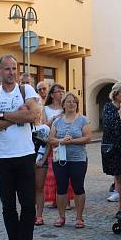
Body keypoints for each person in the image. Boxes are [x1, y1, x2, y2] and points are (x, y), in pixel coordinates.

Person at [0, 54, 43, 240]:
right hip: (2, 157)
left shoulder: (27, 90)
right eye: (7, 69)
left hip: (25, 154)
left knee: (28, 204)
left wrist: (2, 116)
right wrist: (15, 115)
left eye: (14, 68)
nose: (11, 72)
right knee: (8, 205)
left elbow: (33, 115)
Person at [48, 92, 91, 228]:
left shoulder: (83, 120)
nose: (72, 104)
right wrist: (61, 140)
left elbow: (87, 137)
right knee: (61, 187)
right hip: (60, 159)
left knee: (78, 187)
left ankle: (79, 217)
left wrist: (72, 141)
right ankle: (61, 217)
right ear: (63, 104)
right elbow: (50, 139)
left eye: (74, 102)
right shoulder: (57, 121)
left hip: (78, 159)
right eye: (69, 101)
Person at [38, 83, 65, 218]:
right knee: (51, 173)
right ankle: (53, 200)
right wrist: (54, 118)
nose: (61, 94)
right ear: (52, 95)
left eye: (62, 91)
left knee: (62, 171)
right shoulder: (46, 109)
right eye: (58, 91)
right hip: (50, 142)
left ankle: (62, 199)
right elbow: (43, 126)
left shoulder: (66, 107)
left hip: (63, 142)